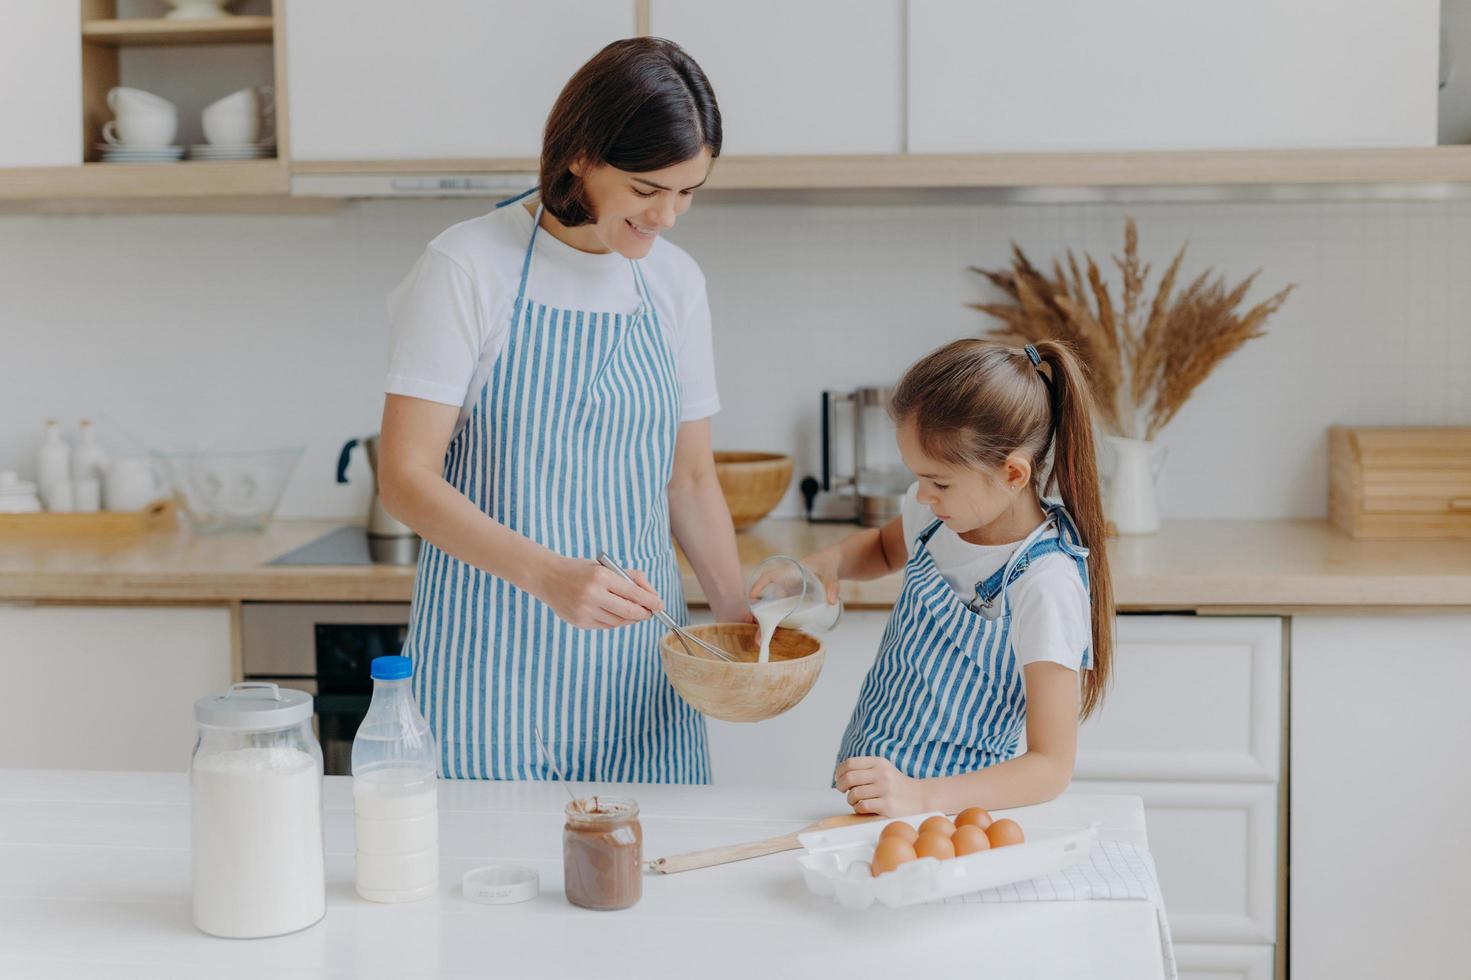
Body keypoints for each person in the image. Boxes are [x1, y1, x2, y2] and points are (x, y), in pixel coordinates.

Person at [377, 38, 749, 782]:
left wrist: (741, 626)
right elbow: (404, 478)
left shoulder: (674, 282)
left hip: (636, 678)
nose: (669, 216)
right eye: (648, 190)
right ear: (581, 153)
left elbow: (691, 480)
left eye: (688, 192)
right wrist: (549, 576)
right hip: (488, 667)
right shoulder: (466, 267)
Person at [806, 339, 1115, 815]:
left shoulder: (1045, 584)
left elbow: (1050, 767)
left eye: (939, 482)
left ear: (1012, 474)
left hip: (949, 820)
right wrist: (831, 563)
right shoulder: (937, 516)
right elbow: (885, 547)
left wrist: (919, 796)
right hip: (871, 797)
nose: (922, 494)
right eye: (919, 477)